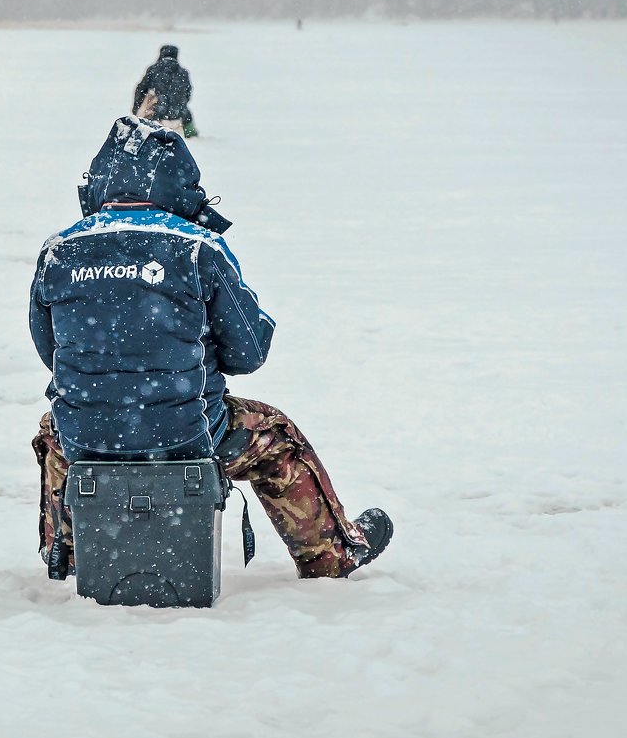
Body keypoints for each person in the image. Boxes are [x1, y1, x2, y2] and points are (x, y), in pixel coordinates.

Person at [28, 116, 392, 580]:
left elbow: (51, 353)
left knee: (54, 428)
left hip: (88, 438)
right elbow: (249, 353)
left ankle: (67, 553)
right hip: (187, 436)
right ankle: (331, 556)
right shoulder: (199, 248)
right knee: (275, 437)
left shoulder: (58, 251)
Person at [132, 45, 196, 137]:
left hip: (157, 114)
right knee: (187, 115)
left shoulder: (154, 69)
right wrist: (179, 104)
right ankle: (191, 134)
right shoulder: (183, 72)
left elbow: (141, 89)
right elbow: (187, 94)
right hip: (180, 114)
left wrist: (136, 109)